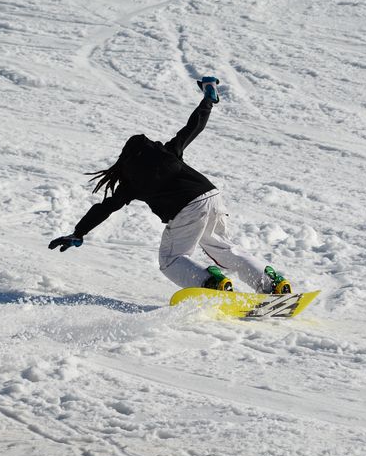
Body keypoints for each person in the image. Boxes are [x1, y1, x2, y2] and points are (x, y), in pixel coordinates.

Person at [48, 77, 292, 295]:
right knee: (223, 248)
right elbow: (194, 125)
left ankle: (212, 284)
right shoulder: (169, 152)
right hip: (213, 197)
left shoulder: (130, 181)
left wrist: (79, 233)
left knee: (171, 259)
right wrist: (208, 98)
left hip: (187, 209)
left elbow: (106, 207)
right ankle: (272, 283)